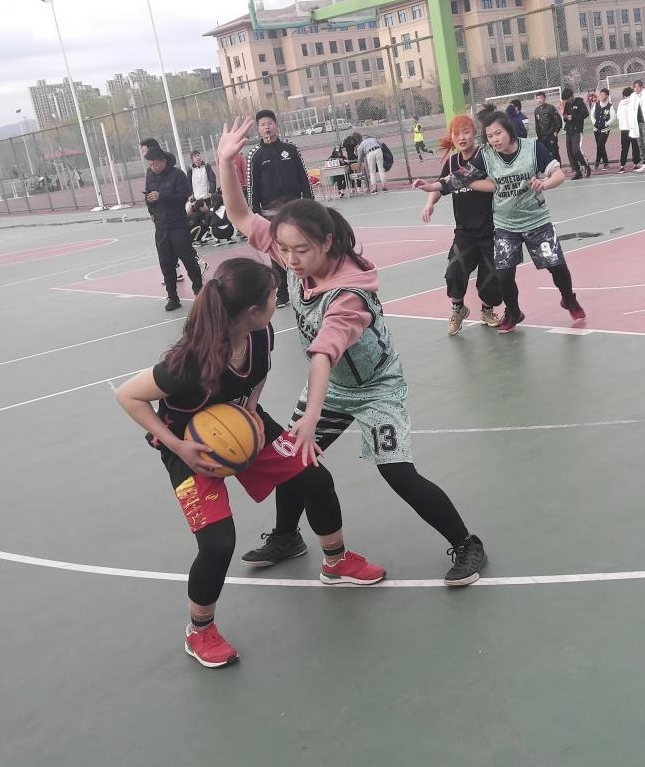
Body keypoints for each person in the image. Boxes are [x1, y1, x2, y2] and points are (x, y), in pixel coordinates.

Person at [217, 118, 488, 586]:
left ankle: (467, 543)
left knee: (397, 471)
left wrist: (310, 418)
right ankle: (287, 536)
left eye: (300, 251)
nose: (289, 259)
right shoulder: (293, 252)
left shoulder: (348, 293)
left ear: (326, 243)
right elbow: (240, 215)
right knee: (293, 461)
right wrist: (226, 161)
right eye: (283, 249)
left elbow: (324, 353)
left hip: (376, 385)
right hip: (335, 385)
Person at [115, 257, 385, 668]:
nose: (279, 298)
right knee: (217, 542)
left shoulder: (261, 333)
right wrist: (177, 446)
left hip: (242, 424)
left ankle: (336, 561)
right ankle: (199, 631)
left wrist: (253, 410)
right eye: (274, 295)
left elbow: (258, 375)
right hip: (190, 447)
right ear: (253, 310)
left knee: (314, 477)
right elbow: (129, 395)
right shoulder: (187, 362)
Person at [413, 111, 586, 334]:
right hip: (505, 226)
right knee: (503, 275)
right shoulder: (486, 156)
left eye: (498, 133)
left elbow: (558, 174)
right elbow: (460, 176)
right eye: (490, 136)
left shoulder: (533, 148)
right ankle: (513, 312)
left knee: (557, 266)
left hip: (537, 221)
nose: (494, 139)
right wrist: (431, 187)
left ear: (509, 131)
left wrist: (545, 183)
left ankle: (568, 299)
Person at [421, 114, 502, 335]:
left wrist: (465, 181)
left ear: (474, 132)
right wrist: (429, 204)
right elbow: (440, 186)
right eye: (457, 134)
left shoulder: (484, 157)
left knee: (491, 279)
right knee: (454, 271)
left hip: (491, 230)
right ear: (452, 137)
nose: (462, 137)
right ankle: (458, 309)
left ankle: (487, 310)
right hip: (465, 232)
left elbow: (494, 184)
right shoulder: (451, 162)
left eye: (466, 132)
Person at [246, 109, 313, 307]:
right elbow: (252, 185)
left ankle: (307, 287)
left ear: (276, 125)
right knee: (277, 252)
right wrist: (254, 211)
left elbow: (304, 176)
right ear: (258, 129)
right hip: (270, 211)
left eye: (269, 123)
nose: (267, 127)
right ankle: (283, 291)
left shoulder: (291, 149)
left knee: (301, 246)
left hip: (294, 208)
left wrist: (309, 201)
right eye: (262, 124)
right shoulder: (255, 155)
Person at [144, 145, 204, 310]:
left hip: (178, 224)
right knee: (166, 264)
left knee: (188, 260)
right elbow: (148, 196)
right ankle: (172, 297)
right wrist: (150, 206)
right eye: (150, 165)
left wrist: (162, 196)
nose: (153, 167)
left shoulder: (177, 174)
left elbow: (183, 197)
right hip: (161, 227)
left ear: (163, 161)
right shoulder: (150, 176)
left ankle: (199, 292)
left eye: (156, 164)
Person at [560, 86, 591, 180]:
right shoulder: (567, 104)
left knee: (576, 150)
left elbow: (585, 114)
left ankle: (586, 166)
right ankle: (577, 171)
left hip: (577, 130)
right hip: (569, 130)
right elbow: (565, 115)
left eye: (567, 99)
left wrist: (572, 117)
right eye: (565, 100)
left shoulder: (579, 102)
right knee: (569, 151)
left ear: (571, 96)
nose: (566, 101)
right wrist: (565, 117)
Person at [616, 86, 641, 173]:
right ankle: (636, 164)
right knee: (635, 146)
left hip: (624, 129)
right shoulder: (634, 102)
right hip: (633, 127)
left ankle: (622, 165)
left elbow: (618, 116)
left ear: (624, 95)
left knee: (624, 148)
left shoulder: (620, 103)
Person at [533, 91, 563, 163]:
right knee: (545, 154)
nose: (539, 100)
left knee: (554, 153)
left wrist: (556, 131)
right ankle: (549, 168)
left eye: (541, 98)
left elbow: (558, 120)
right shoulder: (536, 110)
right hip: (542, 137)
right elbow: (537, 124)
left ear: (544, 98)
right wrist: (538, 135)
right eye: (537, 98)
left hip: (551, 136)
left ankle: (558, 167)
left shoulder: (550, 108)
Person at [592, 88, 614, 169]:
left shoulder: (610, 106)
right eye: (600, 94)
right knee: (600, 146)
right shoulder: (596, 104)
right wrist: (594, 122)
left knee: (599, 145)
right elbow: (592, 114)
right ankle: (605, 162)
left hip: (605, 130)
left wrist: (606, 123)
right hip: (596, 129)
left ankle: (597, 162)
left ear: (607, 96)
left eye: (603, 94)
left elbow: (613, 117)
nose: (601, 96)